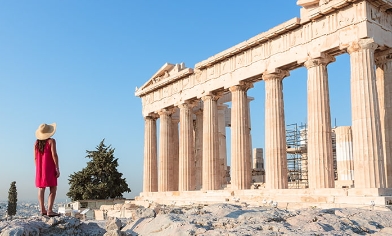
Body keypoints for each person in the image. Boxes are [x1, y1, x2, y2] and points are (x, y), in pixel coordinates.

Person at [34, 123, 60, 217]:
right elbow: (54, 155)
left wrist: (38, 169)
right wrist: (57, 167)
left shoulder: (36, 143)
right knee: (53, 188)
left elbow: (35, 158)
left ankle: (42, 210)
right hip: (49, 167)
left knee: (41, 188)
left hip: (39, 168)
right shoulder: (51, 141)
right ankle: (49, 210)